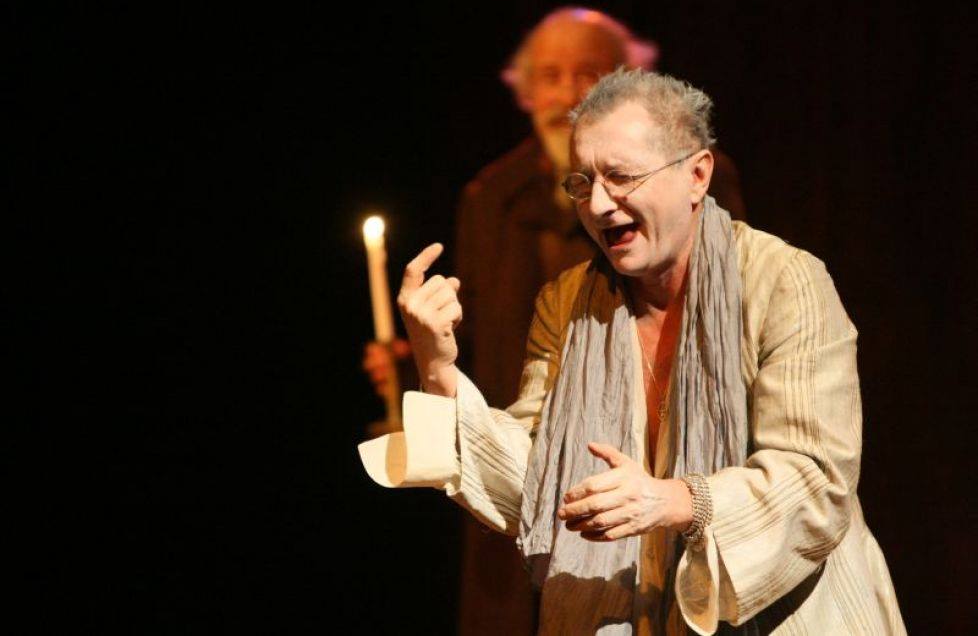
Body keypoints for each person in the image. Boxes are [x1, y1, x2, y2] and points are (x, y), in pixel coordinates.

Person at [359, 68, 905, 634]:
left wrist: (678, 502)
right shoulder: (566, 305)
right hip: (618, 611)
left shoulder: (783, 283)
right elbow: (538, 483)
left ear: (697, 175)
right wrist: (439, 368)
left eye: (620, 177)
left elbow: (816, 478)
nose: (598, 204)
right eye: (582, 183)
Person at [361, 9, 747, 634]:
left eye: (587, 73)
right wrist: (419, 361)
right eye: (550, 75)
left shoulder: (697, 178)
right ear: (524, 89)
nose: (568, 92)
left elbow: (724, 305)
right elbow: (475, 332)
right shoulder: (492, 195)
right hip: (522, 447)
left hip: (659, 466)